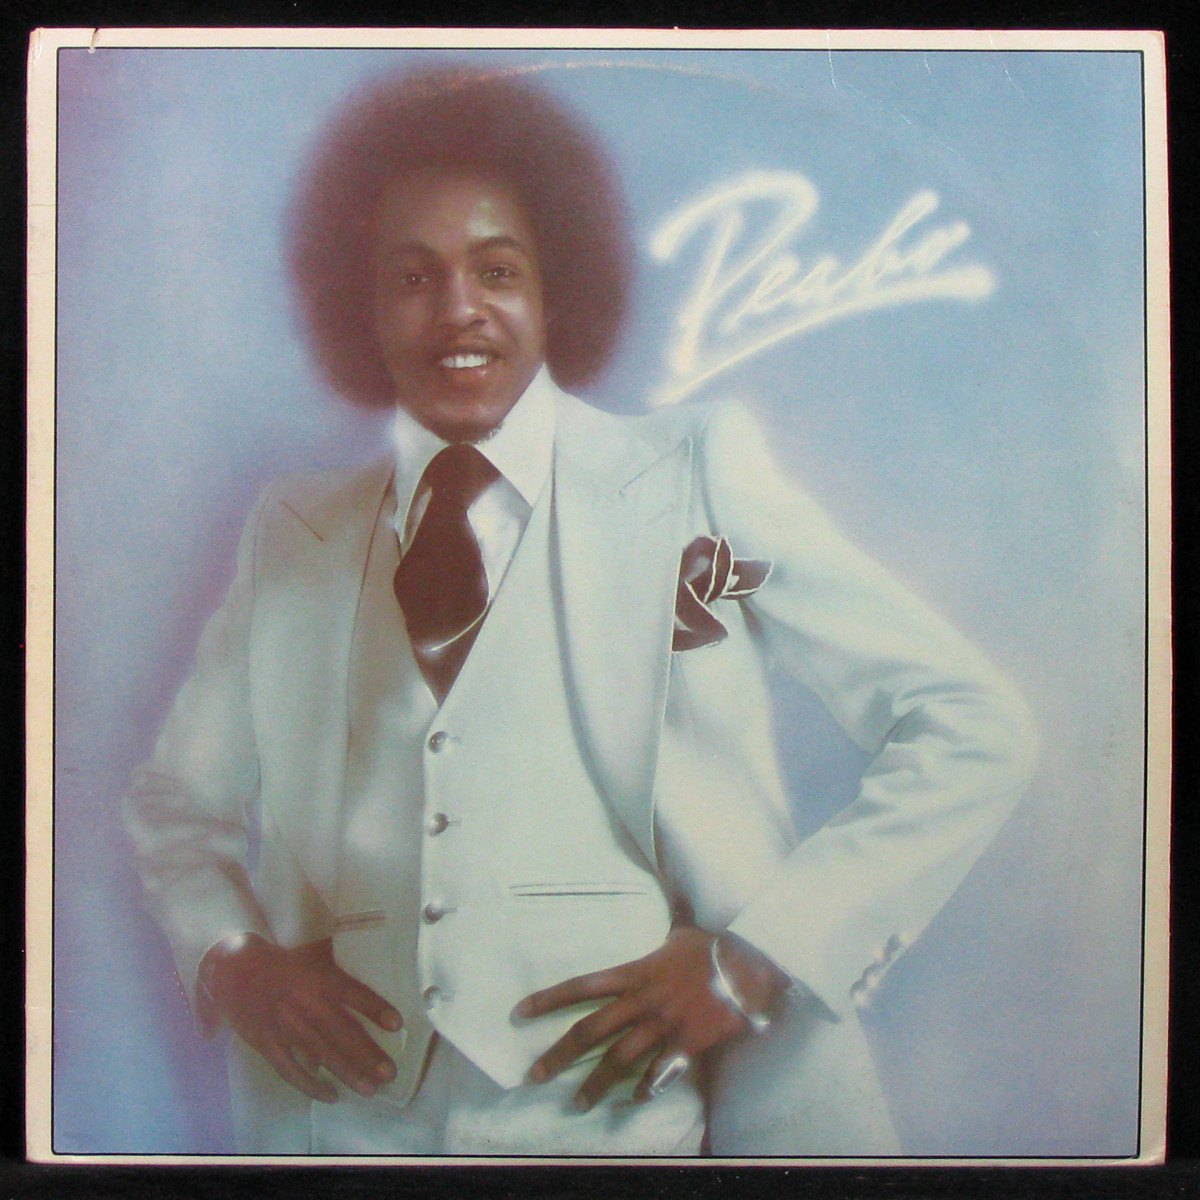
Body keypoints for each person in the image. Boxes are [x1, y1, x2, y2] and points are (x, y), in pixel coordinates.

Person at [124, 64, 1037, 1157]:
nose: (457, 310)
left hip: (631, 1134)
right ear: (359, 305)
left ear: (557, 288)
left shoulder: (693, 476)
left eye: (497, 270)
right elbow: (175, 807)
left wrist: (761, 959)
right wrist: (232, 958)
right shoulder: (295, 536)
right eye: (411, 277)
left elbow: (970, 723)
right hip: (349, 1136)